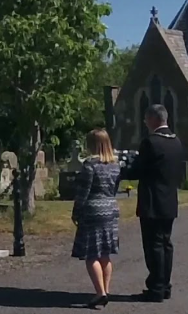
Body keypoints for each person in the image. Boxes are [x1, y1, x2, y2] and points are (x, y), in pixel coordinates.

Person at [124, 104, 183, 303]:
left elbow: (137, 171)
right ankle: (165, 285)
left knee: (153, 246)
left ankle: (156, 288)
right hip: (169, 200)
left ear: (153, 119)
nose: (145, 123)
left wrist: (124, 169)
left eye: (146, 119)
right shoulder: (176, 142)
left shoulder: (150, 142)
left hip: (152, 201)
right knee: (166, 244)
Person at [71, 128, 121, 309]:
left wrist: (76, 212)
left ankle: (100, 293)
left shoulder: (90, 166)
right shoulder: (115, 165)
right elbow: (114, 189)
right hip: (111, 208)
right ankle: (105, 291)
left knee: (92, 254)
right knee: (105, 253)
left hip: (93, 210)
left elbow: (83, 192)